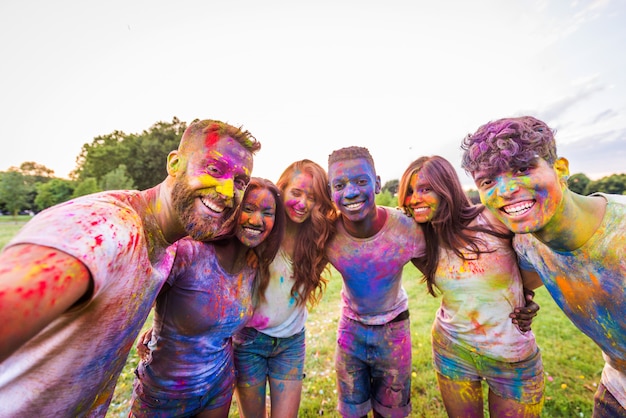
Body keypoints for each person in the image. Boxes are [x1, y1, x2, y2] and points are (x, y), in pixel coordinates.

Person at [0, 119, 260, 417]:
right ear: (175, 164)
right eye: (214, 169)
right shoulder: (107, 230)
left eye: (240, 182)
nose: (227, 192)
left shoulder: (168, 244)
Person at [461, 115, 626, 417]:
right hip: (617, 388)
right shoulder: (527, 244)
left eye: (523, 169)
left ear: (560, 168)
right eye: (488, 181)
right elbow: (521, 286)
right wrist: (523, 302)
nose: (506, 189)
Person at [397, 155, 544, 417]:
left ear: (446, 188)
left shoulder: (492, 219)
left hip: (512, 357)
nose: (414, 199)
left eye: (425, 189)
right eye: (409, 191)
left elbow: (539, 261)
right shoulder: (421, 239)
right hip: (453, 351)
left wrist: (526, 296)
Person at [131, 178, 285, 418]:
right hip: (163, 396)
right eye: (248, 209)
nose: (257, 220)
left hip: (217, 391)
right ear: (233, 210)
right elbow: (133, 306)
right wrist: (158, 330)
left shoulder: (253, 266)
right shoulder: (188, 252)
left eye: (268, 213)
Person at [325, 146, 426, 418]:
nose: (351, 192)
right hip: (350, 330)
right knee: (351, 411)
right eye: (339, 184)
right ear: (329, 191)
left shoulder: (406, 228)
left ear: (377, 183)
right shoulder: (325, 233)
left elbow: (445, 271)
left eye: (361, 181)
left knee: (392, 412)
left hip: (394, 330)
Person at [233, 160, 337, 418]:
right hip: (248, 341)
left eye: (311, 197)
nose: (302, 203)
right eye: (296, 193)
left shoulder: (318, 240)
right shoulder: (259, 230)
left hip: (290, 342)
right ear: (282, 191)